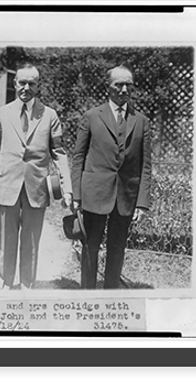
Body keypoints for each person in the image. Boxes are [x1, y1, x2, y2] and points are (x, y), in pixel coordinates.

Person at [0, 63, 72, 290]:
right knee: (6, 241)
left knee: (32, 242)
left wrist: (67, 188)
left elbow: (59, 154)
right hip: (6, 185)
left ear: (38, 86)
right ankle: (4, 285)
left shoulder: (50, 115)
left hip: (37, 186)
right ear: (15, 84)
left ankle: (26, 287)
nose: (26, 87)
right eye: (22, 82)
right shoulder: (1, 114)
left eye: (31, 83)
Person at [71, 65, 152, 289]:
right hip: (94, 194)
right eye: (119, 84)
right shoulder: (91, 116)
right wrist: (76, 196)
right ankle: (88, 294)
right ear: (108, 87)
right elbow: (78, 158)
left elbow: (146, 164)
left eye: (128, 84)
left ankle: (110, 294)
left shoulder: (141, 121)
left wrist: (142, 204)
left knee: (117, 248)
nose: (124, 89)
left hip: (125, 196)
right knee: (90, 246)